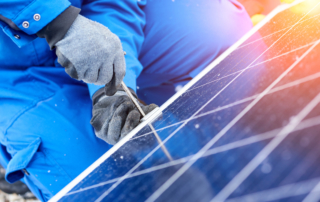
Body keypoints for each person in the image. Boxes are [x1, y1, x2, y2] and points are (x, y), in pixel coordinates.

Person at [0, 0, 252, 201]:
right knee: (93, 186)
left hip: (87, 19)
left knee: (225, 37)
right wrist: (55, 20)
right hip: (10, 75)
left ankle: (242, 146)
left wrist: (113, 86)